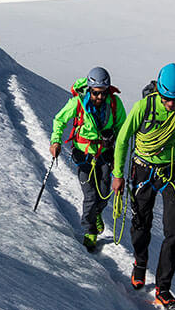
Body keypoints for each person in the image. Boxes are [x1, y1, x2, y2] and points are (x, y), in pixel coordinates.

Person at [112, 62, 175, 309]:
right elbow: (123, 139)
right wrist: (117, 174)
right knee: (140, 222)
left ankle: (163, 288)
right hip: (143, 168)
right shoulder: (144, 107)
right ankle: (140, 262)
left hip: (172, 171)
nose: (171, 104)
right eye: (167, 99)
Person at [49, 66, 127, 251]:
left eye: (103, 93)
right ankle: (90, 230)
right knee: (90, 195)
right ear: (90, 89)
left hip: (106, 155)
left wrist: (117, 151)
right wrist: (55, 141)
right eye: (96, 93)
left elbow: (123, 131)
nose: (100, 97)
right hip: (84, 155)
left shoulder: (115, 104)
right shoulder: (77, 102)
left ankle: (96, 213)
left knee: (104, 193)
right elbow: (60, 120)